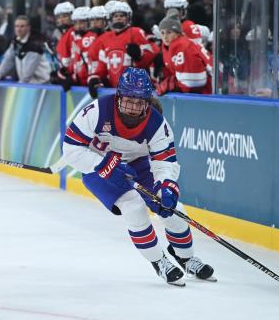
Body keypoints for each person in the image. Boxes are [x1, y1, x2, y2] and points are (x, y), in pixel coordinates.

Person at [62, 67, 215, 286]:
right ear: (118, 97)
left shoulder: (157, 123)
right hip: (97, 166)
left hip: (137, 165)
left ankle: (186, 257)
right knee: (133, 206)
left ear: (148, 101)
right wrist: (104, 165)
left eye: (139, 102)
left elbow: (165, 162)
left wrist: (166, 187)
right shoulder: (96, 111)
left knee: (174, 211)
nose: (133, 108)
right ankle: (159, 260)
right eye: (128, 101)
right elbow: (71, 150)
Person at [87, 1, 158, 97]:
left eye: (122, 15)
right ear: (111, 19)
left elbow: (152, 55)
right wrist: (95, 78)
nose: (118, 18)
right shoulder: (106, 38)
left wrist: (139, 55)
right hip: (115, 90)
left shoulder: (136, 32)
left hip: (137, 90)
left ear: (128, 17)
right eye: (115, 16)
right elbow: (102, 64)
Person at [156, 12, 212, 95]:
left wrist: (171, 84)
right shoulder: (169, 46)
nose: (165, 37)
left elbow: (196, 81)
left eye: (169, 32)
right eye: (162, 33)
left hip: (210, 91)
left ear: (178, 33)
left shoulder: (182, 46)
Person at [0, 15, 50, 84]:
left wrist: (20, 85)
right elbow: (7, 60)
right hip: (26, 83)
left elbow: (29, 70)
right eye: (16, 26)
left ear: (28, 27)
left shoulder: (34, 44)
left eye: (22, 26)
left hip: (41, 84)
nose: (18, 29)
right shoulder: (15, 42)